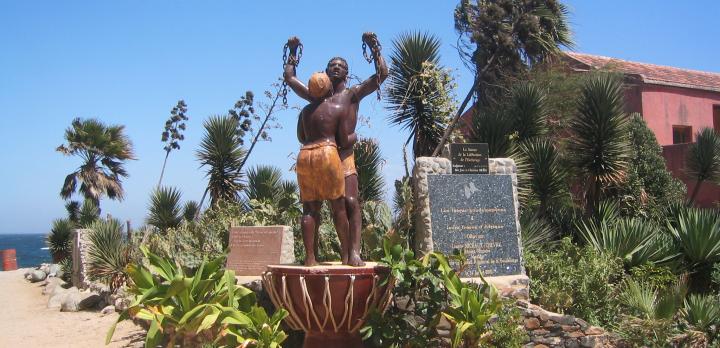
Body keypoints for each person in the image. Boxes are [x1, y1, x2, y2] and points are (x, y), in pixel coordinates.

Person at [283, 33, 388, 266]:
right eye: (332, 65)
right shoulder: (316, 98)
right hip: (324, 154)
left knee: (350, 202)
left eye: (341, 66)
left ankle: (353, 252)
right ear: (325, 71)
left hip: (344, 156)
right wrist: (292, 53)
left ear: (347, 73)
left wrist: (375, 50)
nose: (336, 68)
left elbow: (381, 75)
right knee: (317, 205)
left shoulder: (352, 94)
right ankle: (314, 256)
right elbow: (290, 78)